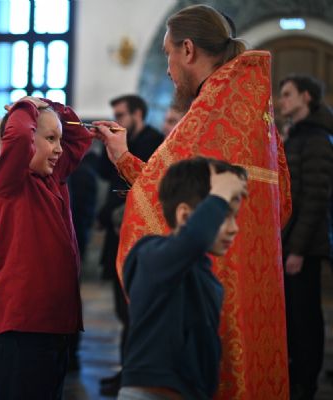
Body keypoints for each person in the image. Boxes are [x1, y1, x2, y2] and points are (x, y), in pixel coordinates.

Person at [94, 5, 291, 399]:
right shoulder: (250, 107)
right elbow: (281, 203)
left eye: (167, 54)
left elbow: (163, 196)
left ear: (187, 50)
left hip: (214, 281)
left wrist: (124, 160)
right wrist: (124, 159)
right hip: (256, 286)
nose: (168, 69)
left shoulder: (207, 116)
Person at [0, 96, 92, 399]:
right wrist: (25, 106)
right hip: (20, 330)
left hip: (54, 326)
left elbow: (80, 137)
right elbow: (16, 137)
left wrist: (48, 105)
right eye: (50, 139)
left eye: (59, 140)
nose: (59, 149)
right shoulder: (5, 179)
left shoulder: (52, 176)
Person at [119, 157, 247, 400]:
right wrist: (220, 194)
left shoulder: (205, 275)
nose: (234, 228)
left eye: (235, 217)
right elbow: (192, 241)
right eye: (224, 215)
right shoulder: (151, 256)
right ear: (186, 217)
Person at [97, 94, 163, 396]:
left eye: (122, 115)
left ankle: (133, 375)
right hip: (118, 234)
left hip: (141, 237)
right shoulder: (125, 140)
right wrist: (107, 144)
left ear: (138, 114)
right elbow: (105, 174)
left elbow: (147, 187)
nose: (118, 120)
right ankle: (126, 371)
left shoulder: (154, 141)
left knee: (134, 312)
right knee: (123, 313)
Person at [278, 75, 333, 399]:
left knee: (305, 317)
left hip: (305, 247)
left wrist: (297, 249)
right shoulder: (297, 135)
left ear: (306, 97)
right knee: (292, 316)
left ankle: (305, 383)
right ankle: (294, 376)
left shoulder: (317, 139)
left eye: (288, 94)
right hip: (290, 242)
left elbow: (314, 199)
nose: (281, 100)